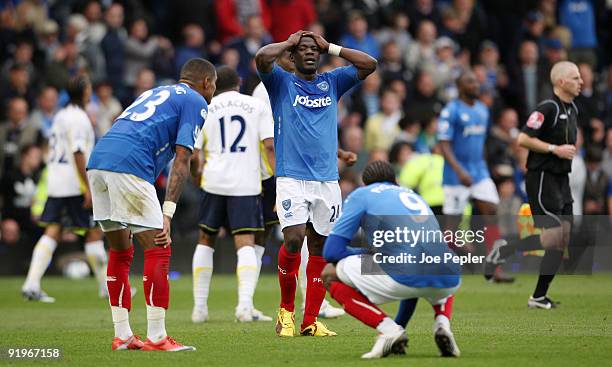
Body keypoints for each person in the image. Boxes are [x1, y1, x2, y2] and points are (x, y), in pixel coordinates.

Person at [87, 58, 217, 351]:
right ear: (207, 83)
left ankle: (122, 335)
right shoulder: (197, 100)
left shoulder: (156, 92)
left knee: (121, 250)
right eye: (214, 87)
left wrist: (197, 168)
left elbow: (187, 156)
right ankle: (157, 337)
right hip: (130, 165)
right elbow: (182, 159)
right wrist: (168, 213)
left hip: (99, 161)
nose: (212, 93)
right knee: (159, 246)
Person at [255, 30, 376, 336]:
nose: (310, 53)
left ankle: (310, 321)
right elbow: (261, 58)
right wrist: (289, 41)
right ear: (293, 57)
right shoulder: (281, 82)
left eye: (314, 49)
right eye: (303, 49)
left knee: (321, 247)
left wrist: (332, 47)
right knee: (294, 239)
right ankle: (286, 311)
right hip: (291, 177)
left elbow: (369, 64)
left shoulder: (332, 82)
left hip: (327, 181)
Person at [321, 161, 461, 359]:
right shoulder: (414, 195)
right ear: (395, 181)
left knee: (329, 273)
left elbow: (331, 251)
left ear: (366, 183)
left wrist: (367, 253)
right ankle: (442, 324)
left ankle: (387, 329)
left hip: (403, 270)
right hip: (450, 277)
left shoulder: (362, 194)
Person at [487, 61, 581, 309]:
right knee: (554, 236)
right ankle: (537, 294)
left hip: (562, 179)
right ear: (561, 82)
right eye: (575, 78)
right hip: (542, 178)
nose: (581, 82)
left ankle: (533, 289)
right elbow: (523, 138)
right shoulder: (547, 108)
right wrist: (554, 149)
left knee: (562, 238)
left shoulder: (573, 109)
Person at [190, 66, 275, 323]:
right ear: (238, 82)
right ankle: (244, 307)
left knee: (205, 240)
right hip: (245, 183)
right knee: (245, 243)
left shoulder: (205, 109)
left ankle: (199, 309)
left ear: (214, 84)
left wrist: (197, 177)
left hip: (214, 181)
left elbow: (194, 154)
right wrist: (279, 181)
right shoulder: (256, 106)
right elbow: (269, 145)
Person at [21, 75, 108, 302]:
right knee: (93, 231)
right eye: (89, 88)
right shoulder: (79, 118)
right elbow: (78, 152)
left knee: (54, 230)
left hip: (56, 181)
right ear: (85, 92)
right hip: (74, 184)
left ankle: (31, 283)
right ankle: (107, 287)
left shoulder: (60, 115)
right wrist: (88, 187)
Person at [437, 70, 514, 283]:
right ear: (460, 86)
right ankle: (453, 261)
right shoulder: (450, 111)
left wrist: (485, 168)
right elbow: (444, 144)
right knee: (451, 227)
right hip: (455, 175)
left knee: (492, 211)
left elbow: (481, 144)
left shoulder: (482, 110)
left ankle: (494, 268)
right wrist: (460, 171)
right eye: (469, 82)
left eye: (475, 81)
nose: (475, 85)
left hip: (479, 172)